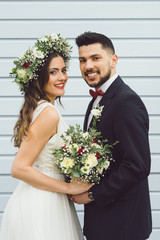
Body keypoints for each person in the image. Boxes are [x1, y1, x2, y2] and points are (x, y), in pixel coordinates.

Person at [0, 33, 93, 240]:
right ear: (38, 77)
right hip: (42, 205)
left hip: (46, 198)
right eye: (53, 72)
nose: (62, 78)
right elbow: (19, 168)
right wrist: (69, 187)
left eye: (63, 70)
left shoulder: (41, 108)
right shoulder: (49, 113)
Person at [70, 31, 152, 240]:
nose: (88, 66)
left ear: (113, 60)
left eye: (95, 58)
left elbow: (137, 166)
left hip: (122, 226)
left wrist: (91, 195)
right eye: (82, 60)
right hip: (103, 222)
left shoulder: (126, 102)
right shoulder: (96, 100)